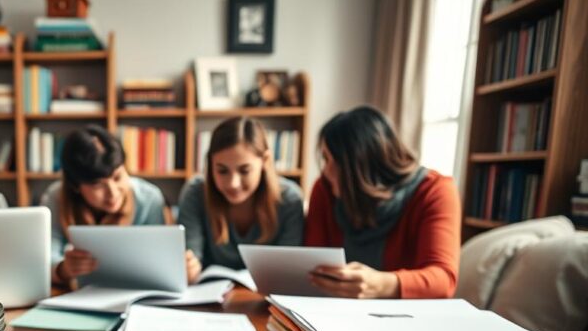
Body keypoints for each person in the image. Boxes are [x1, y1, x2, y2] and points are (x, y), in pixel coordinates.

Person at [305, 105, 461, 299]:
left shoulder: (434, 191)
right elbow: (311, 267)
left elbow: (443, 280)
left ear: (360, 163)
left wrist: (382, 284)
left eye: (329, 159)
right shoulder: (325, 190)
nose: (325, 170)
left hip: (405, 319)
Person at [178, 116, 304, 282]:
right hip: (209, 299)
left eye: (244, 171)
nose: (233, 184)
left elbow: (288, 272)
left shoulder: (289, 200)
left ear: (265, 161)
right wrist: (188, 269)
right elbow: (192, 258)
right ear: (210, 164)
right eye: (222, 171)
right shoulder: (195, 193)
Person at [40, 125, 169, 285]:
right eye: (97, 185)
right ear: (75, 186)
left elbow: (160, 261)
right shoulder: (57, 198)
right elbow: (44, 260)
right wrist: (64, 269)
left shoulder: (149, 198)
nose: (113, 193)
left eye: (117, 177)